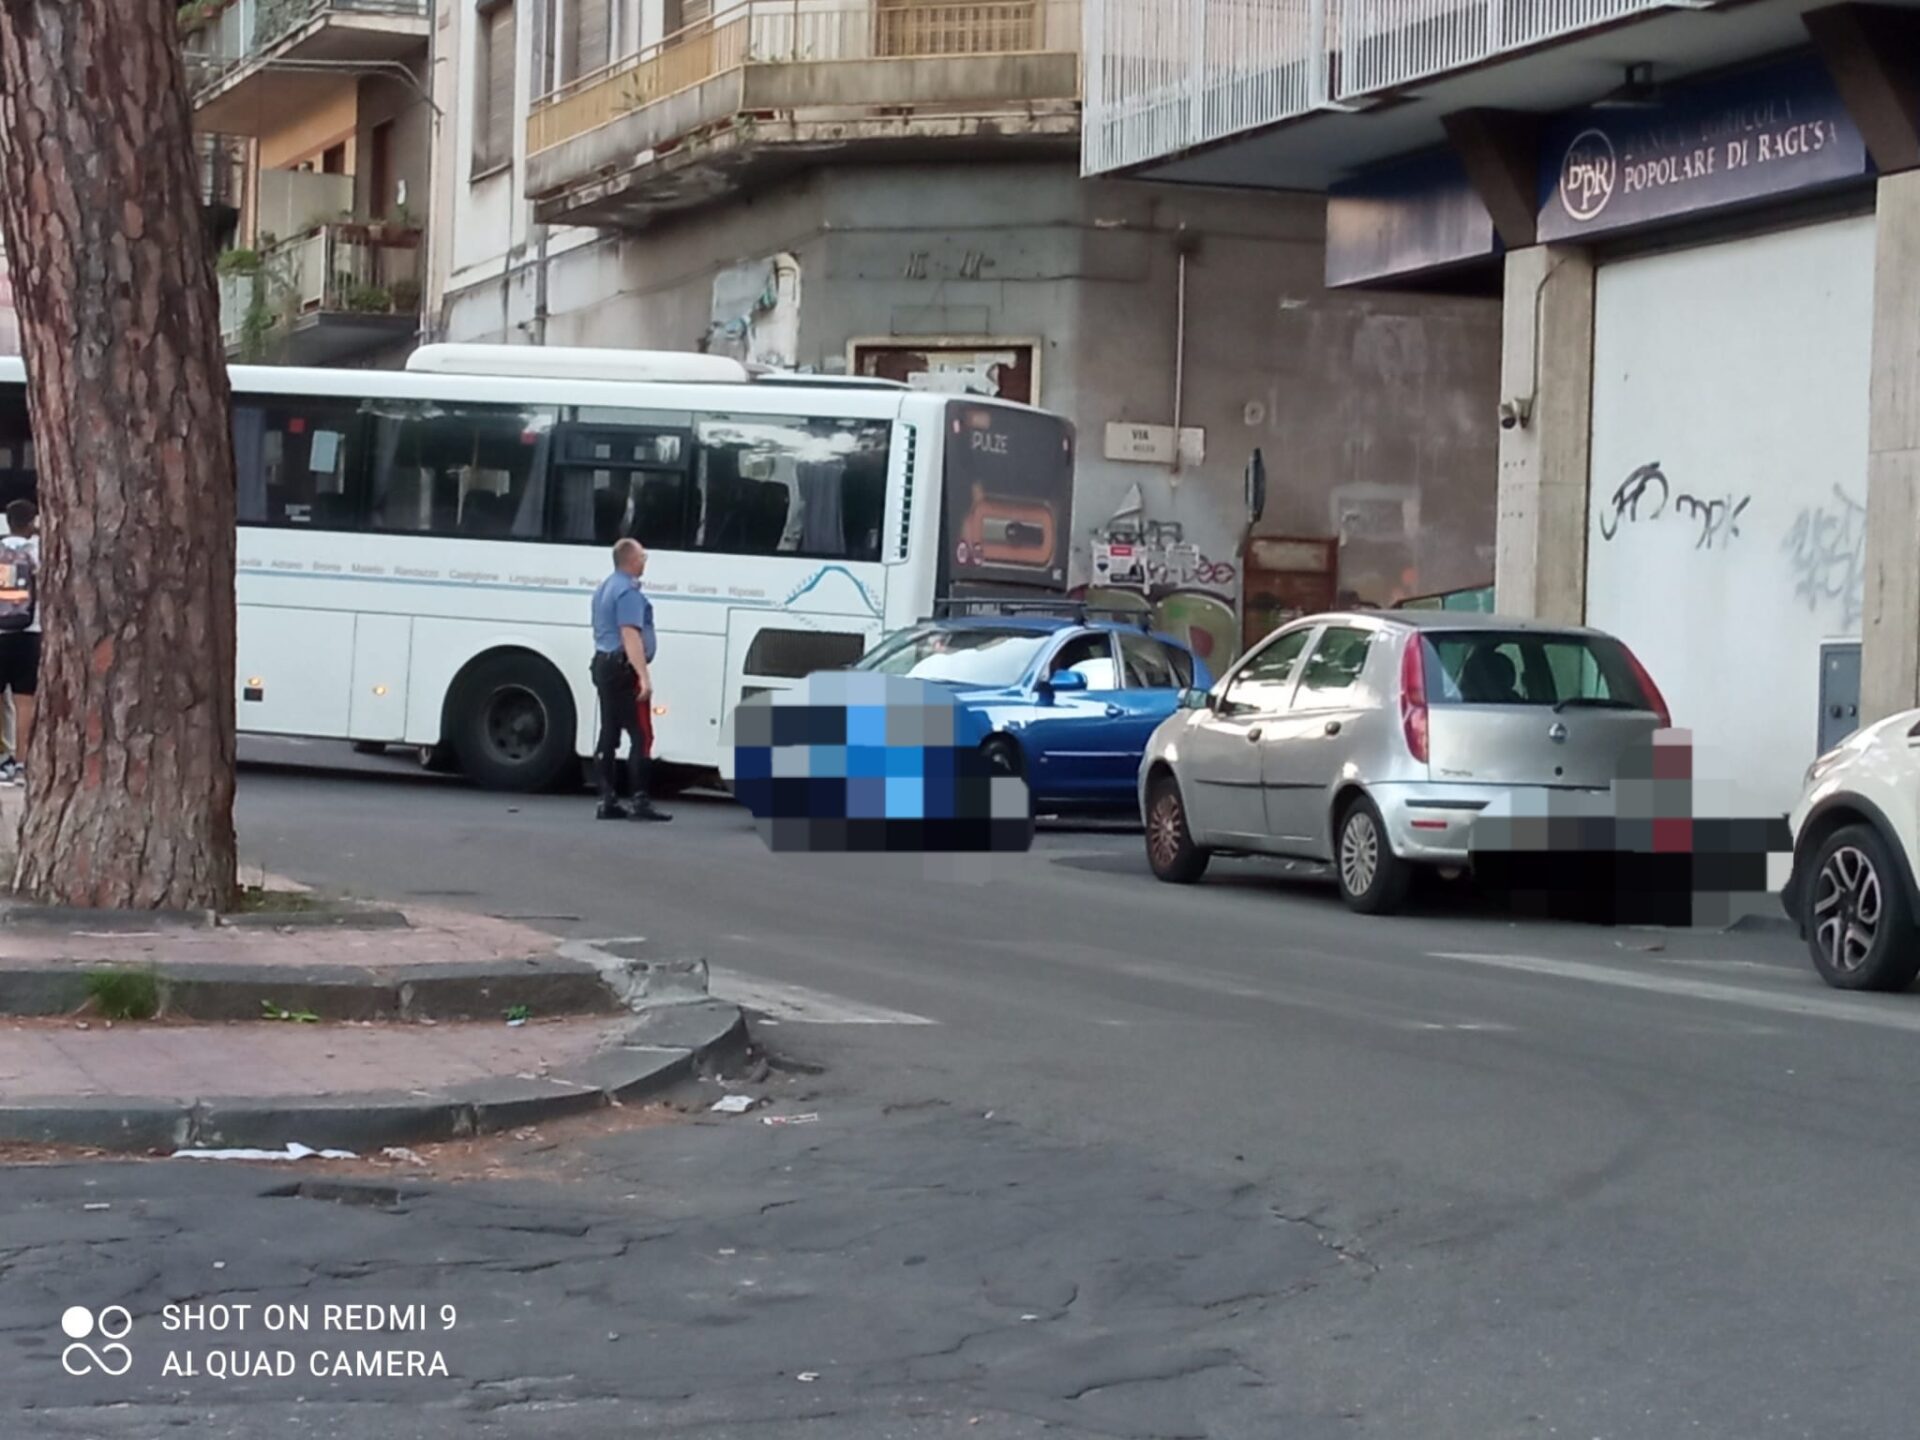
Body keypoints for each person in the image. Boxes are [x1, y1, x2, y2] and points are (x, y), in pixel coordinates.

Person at [590, 538, 670, 822]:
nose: (645, 560)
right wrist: (643, 678)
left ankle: (607, 799)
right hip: (623, 670)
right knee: (641, 734)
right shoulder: (627, 591)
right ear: (630, 560)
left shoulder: (605, 587)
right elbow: (630, 635)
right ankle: (640, 801)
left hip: (604, 665)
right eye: (642, 556)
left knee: (609, 732)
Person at [0, 498, 39, 786]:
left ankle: (2, 759)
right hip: (31, 632)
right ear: (31, 522)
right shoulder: (38, 551)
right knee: (25, 700)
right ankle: (23, 764)